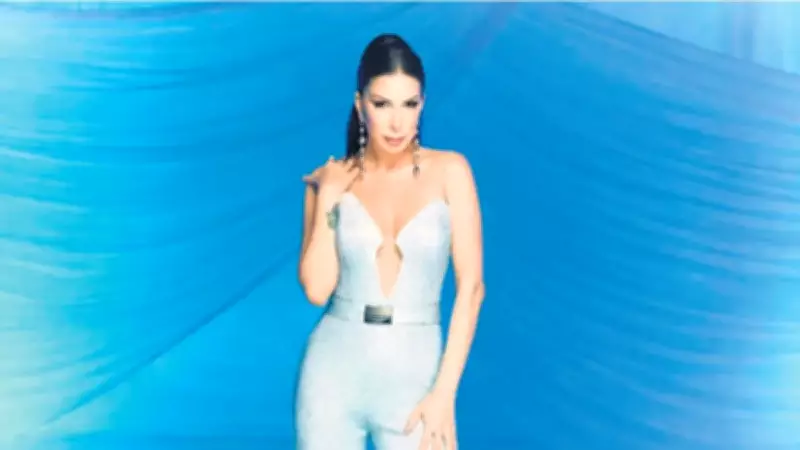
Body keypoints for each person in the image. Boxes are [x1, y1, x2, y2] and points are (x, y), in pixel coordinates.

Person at [296, 33, 485, 450]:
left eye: (409, 104)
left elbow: (471, 288)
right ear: (360, 104)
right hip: (332, 373)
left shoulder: (451, 171)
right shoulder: (330, 181)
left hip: (417, 377)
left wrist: (444, 393)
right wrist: (329, 197)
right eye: (382, 104)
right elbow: (317, 290)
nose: (397, 123)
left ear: (422, 104)